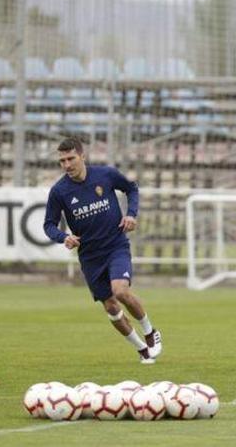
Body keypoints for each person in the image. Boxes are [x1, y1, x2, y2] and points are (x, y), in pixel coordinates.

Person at [43, 137, 162, 364]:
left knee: (120, 291)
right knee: (111, 308)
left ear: (82, 156)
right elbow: (48, 224)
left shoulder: (105, 175)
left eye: (71, 159)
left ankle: (149, 331)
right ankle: (141, 349)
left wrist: (131, 214)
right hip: (90, 256)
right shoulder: (59, 191)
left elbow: (131, 188)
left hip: (116, 245)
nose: (67, 165)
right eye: (62, 161)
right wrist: (63, 236)